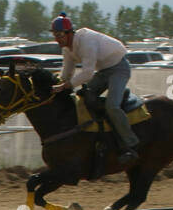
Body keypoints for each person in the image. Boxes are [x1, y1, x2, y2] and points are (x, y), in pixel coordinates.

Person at [50, 12, 137, 163]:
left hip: (119, 68)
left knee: (112, 106)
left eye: (59, 35)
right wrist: (57, 83)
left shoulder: (87, 41)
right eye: (55, 35)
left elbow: (88, 73)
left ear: (69, 33)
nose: (57, 39)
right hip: (104, 71)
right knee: (83, 98)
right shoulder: (67, 49)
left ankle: (131, 145)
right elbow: (67, 73)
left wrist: (66, 85)